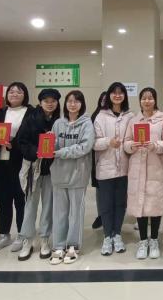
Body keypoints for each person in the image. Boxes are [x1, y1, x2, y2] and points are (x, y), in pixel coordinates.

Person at [124, 87, 163, 259]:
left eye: (150, 98)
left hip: (155, 167)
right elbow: (126, 142)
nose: (147, 101)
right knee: (141, 206)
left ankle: (154, 240)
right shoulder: (133, 120)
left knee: (155, 205)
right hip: (137, 167)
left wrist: (155, 145)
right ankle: (143, 241)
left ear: (155, 100)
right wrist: (131, 146)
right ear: (140, 101)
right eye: (144, 98)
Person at [0, 82, 34, 254]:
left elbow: (32, 137)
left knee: (21, 200)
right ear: (6, 95)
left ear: (25, 94)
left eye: (19, 91)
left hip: (21, 163)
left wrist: (13, 144)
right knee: (2, 200)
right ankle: (4, 235)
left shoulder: (31, 113)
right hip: (0, 163)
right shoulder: (0, 113)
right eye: (11, 91)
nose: (14, 94)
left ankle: (22, 235)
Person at [48, 90, 94, 265]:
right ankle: (58, 245)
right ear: (65, 104)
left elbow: (84, 147)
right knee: (59, 213)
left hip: (78, 175)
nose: (72, 104)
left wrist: (60, 153)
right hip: (59, 174)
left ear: (82, 104)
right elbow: (52, 145)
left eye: (76, 101)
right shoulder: (58, 123)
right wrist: (48, 145)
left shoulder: (87, 124)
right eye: (69, 101)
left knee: (76, 213)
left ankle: (73, 245)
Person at [16, 88, 61, 261]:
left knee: (48, 205)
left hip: (52, 169)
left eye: (53, 101)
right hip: (33, 168)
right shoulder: (31, 118)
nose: (50, 104)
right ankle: (27, 240)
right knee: (30, 205)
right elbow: (21, 141)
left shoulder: (59, 121)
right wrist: (37, 151)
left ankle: (44, 239)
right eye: (46, 101)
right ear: (40, 102)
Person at [94, 82, 134, 256]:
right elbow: (94, 143)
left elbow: (133, 139)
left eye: (121, 92)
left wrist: (129, 145)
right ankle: (107, 236)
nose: (117, 95)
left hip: (124, 168)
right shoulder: (100, 116)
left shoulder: (130, 116)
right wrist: (108, 142)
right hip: (105, 168)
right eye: (114, 92)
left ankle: (117, 234)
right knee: (106, 204)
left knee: (120, 203)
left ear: (125, 96)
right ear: (109, 95)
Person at [90, 91, 107, 230]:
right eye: (102, 99)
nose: (104, 102)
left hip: (114, 157)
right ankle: (101, 215)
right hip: (97, 157)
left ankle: (110, 215)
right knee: (99, 188)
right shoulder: (95, 115)